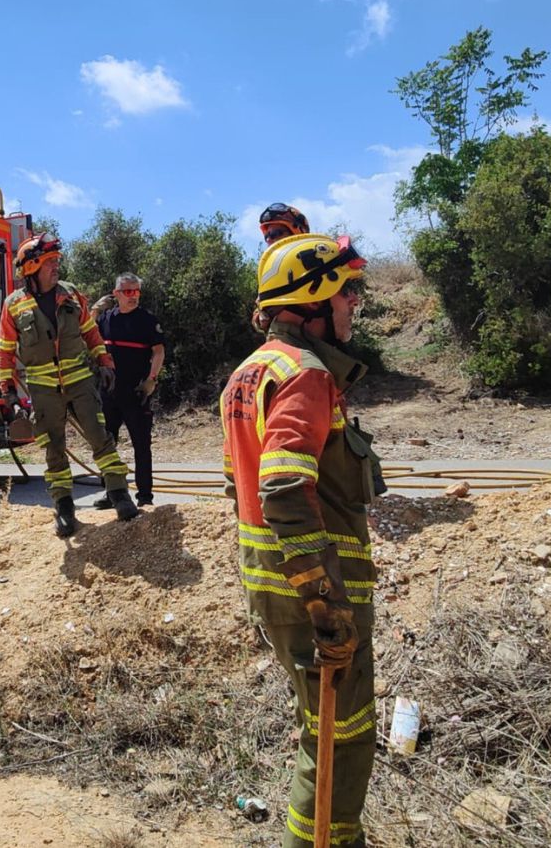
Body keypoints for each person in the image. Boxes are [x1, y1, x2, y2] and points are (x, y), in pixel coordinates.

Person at [220, 232, 380, 848]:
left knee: (319, 724)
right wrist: (324, 601)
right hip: (314, 588)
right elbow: (284, 489)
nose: (352, 306)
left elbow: (240, 484)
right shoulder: (306, 375)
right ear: (312, 300)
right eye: (346, 294)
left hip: (270, 580)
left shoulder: (249, 372)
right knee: (343, 732)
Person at [0, 233, 138, 537]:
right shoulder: (14, 306)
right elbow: (5, 352)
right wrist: (7, 391)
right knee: (54, 451)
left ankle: (120, 495)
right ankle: (63, 508)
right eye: (50, 262)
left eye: (57, 261)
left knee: (101, 438)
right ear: (32, 267)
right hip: (43, 390)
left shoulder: (71, 295)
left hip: (80, 383)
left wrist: (105, 362)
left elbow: (90, 332)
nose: (56, 267)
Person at [91, 273, 166, 508]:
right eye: (128, 291)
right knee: (107, 445)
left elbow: (158, 351)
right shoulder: (106, 319)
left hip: (136, 392)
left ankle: (145, 497)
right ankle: (111, 493)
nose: (133, 296)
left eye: (136, 291)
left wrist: (151, 380)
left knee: (141, 446)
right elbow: (87, 335)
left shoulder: (146, 320)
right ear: (116, 294)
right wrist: (93, 311)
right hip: (109, 393)